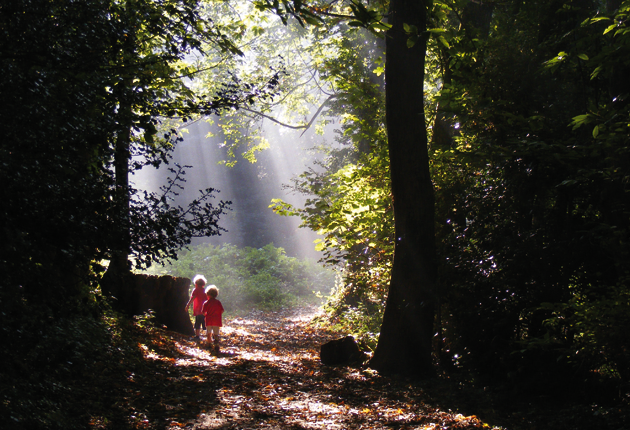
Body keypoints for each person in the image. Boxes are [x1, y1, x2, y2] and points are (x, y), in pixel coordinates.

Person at [201, 285, 224, 355]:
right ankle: (216, 344)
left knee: (209, 332)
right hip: (216, 320)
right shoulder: (218, 302)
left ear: (208, 294)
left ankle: (209, 343)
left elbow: (203, 312)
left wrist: (206, 315)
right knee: (216, 333)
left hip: (209, 320)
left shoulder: (206, 303)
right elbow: (222, 310)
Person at [184, 274, 208, 340]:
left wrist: (187, 305)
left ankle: (197, 336)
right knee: (206, 324)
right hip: (205, 310)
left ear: (196, 284)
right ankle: (209, 336)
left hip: (198, 310)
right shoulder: (205, 290)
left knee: (197, 324)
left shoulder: (196, 290)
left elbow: (192, 298)